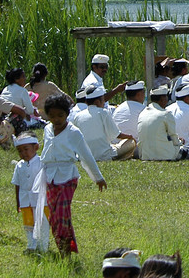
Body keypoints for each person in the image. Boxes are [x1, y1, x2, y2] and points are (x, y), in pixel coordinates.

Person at [40, 93, 106, 255]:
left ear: (67, 114)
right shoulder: (47, 129)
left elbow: (86, 156)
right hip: (50, 177)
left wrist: (98, 177)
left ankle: (65, 247)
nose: (56, 119)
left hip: (67, 176)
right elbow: (45, 153)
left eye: (60, 115)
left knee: (63, 212)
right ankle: (64, 245)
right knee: (54, 215)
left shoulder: (73, 132)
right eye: (52, 116)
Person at [72, 85, 135, 161]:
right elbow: (117, 135)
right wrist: (130, 136)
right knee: (131, 142)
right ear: (98, 102)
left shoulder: (78, 116)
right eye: (103, 100)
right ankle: (119, 157)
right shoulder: (103, 112)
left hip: (83, 156)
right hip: (104, 155)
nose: (104, 103)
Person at [11, 134, 48, 252]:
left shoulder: (42, 162)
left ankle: (43, 246)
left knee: (42, 223)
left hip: (40, 200)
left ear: (36, 147)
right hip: (25, 200)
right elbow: (17, 184)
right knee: (28, 224)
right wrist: (18, 202)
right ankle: (31, 245)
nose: (23, 153)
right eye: (20, 151)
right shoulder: (19, 166)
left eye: (26, 149)